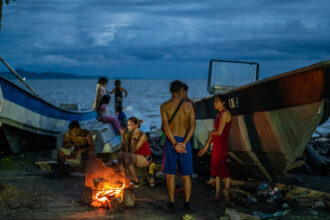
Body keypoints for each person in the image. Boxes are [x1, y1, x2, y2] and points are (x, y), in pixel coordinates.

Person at [160, 80, 195, 212]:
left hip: (171, 141)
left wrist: (175, 143)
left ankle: (171, 203)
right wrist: (184, 143)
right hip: (184, 141)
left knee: (171, 175)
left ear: (170, 91)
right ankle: (187, 204)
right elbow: (192, 127)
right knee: (186, 176)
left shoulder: (164, 106)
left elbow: (165, 127)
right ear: (181, 90)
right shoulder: (189, 106)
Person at [198, 94, 232, 205]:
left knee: (224, 170)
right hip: (217, 144)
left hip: (221, 145)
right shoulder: (219, 114)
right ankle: (217, 194)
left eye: (216, 101)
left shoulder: (226, 113)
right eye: (214, 102)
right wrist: (207, 145)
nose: (214, 103)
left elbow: (219, 132)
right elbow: (214, 133)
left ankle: (227, 197)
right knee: (217, 170)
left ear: (223, 103)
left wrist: (210, 133)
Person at [117, 116, 152, 187]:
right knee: (120, 154)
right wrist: (122, 135)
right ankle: (124, 178)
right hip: (134, 157)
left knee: (126, 155)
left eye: (130, 124)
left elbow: (134, 150)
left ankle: (135, 180)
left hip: (145, 158)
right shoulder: (128, 134)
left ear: (136, 125)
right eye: (127, 125)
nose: (128, 126)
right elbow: (125, 149)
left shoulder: (142, 134)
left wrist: (133, 139)